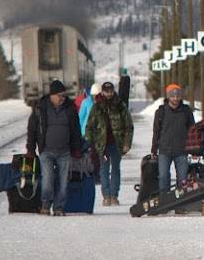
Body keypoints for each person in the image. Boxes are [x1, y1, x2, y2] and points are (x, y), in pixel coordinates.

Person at [26, 79, 83, 216]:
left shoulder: (70, 109)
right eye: (60, 96)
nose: (63, 98)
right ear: (52, 95)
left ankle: (59, 207)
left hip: (64, 152)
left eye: (64, 95)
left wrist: (77, 148)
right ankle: (45, 205)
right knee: (47, 180)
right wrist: (30, 149)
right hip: (46, 151)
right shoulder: (40, 109)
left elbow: (76, 130)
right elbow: (32, 130)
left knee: (63, 182)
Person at [86, 77, 134, 206]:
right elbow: (90, 126)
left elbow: (128, 126)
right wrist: (89, 143)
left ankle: (114, 195)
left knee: (116, 169)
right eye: (106, 91)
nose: (108, 94)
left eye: (110, 91)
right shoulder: (97, 107)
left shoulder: (120, 105)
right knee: (104, 169)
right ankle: (106, 196)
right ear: (102, 92)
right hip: (102, 145)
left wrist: (127, 143)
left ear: (113, 91)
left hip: (116, 144)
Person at [151, 82, 194, 194]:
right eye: (172, 96)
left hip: (182, 151)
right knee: (163, 176)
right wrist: (154, 149)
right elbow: (156, 131)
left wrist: (194, 149)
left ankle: (180, 200)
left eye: (178, 96)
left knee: (182, 179)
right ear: (168, 97)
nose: (175, 98)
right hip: (164, 150)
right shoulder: (161, 112)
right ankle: (164, 199)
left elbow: (192, 131)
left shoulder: (186, 111)